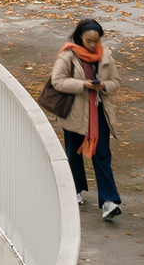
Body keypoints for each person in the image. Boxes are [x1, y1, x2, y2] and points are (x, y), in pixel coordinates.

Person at [52, 18, 122, 221]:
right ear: (79, 37)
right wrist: (83, 84)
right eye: (88, 40)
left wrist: (103, 86)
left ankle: (109, 201)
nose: (92, 45)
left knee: (102, 154)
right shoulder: (68, 56)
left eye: (96, 41)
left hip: (98, 112)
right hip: (75, 113)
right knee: (73, 153)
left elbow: (115, 82)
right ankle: (75, 189)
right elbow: (57, 81)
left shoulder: (105, 56)